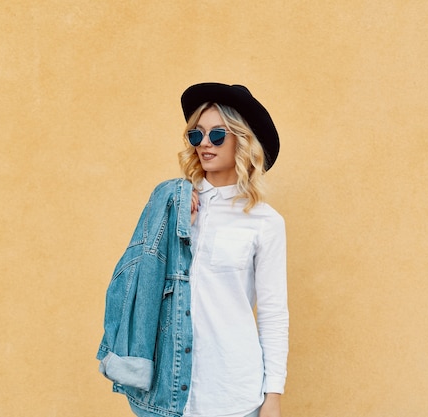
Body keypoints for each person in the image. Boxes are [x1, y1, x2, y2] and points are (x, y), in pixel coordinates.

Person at [98, 83, 288, 417]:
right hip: (170, 388)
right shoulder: (172, 205)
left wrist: (273, 395)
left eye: (217, 135)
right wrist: (176, 219)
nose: (204, 144)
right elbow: (135, 280)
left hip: (234, 389)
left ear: (241, 140)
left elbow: (273, 314)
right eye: (196, 135)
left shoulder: (264, 221)